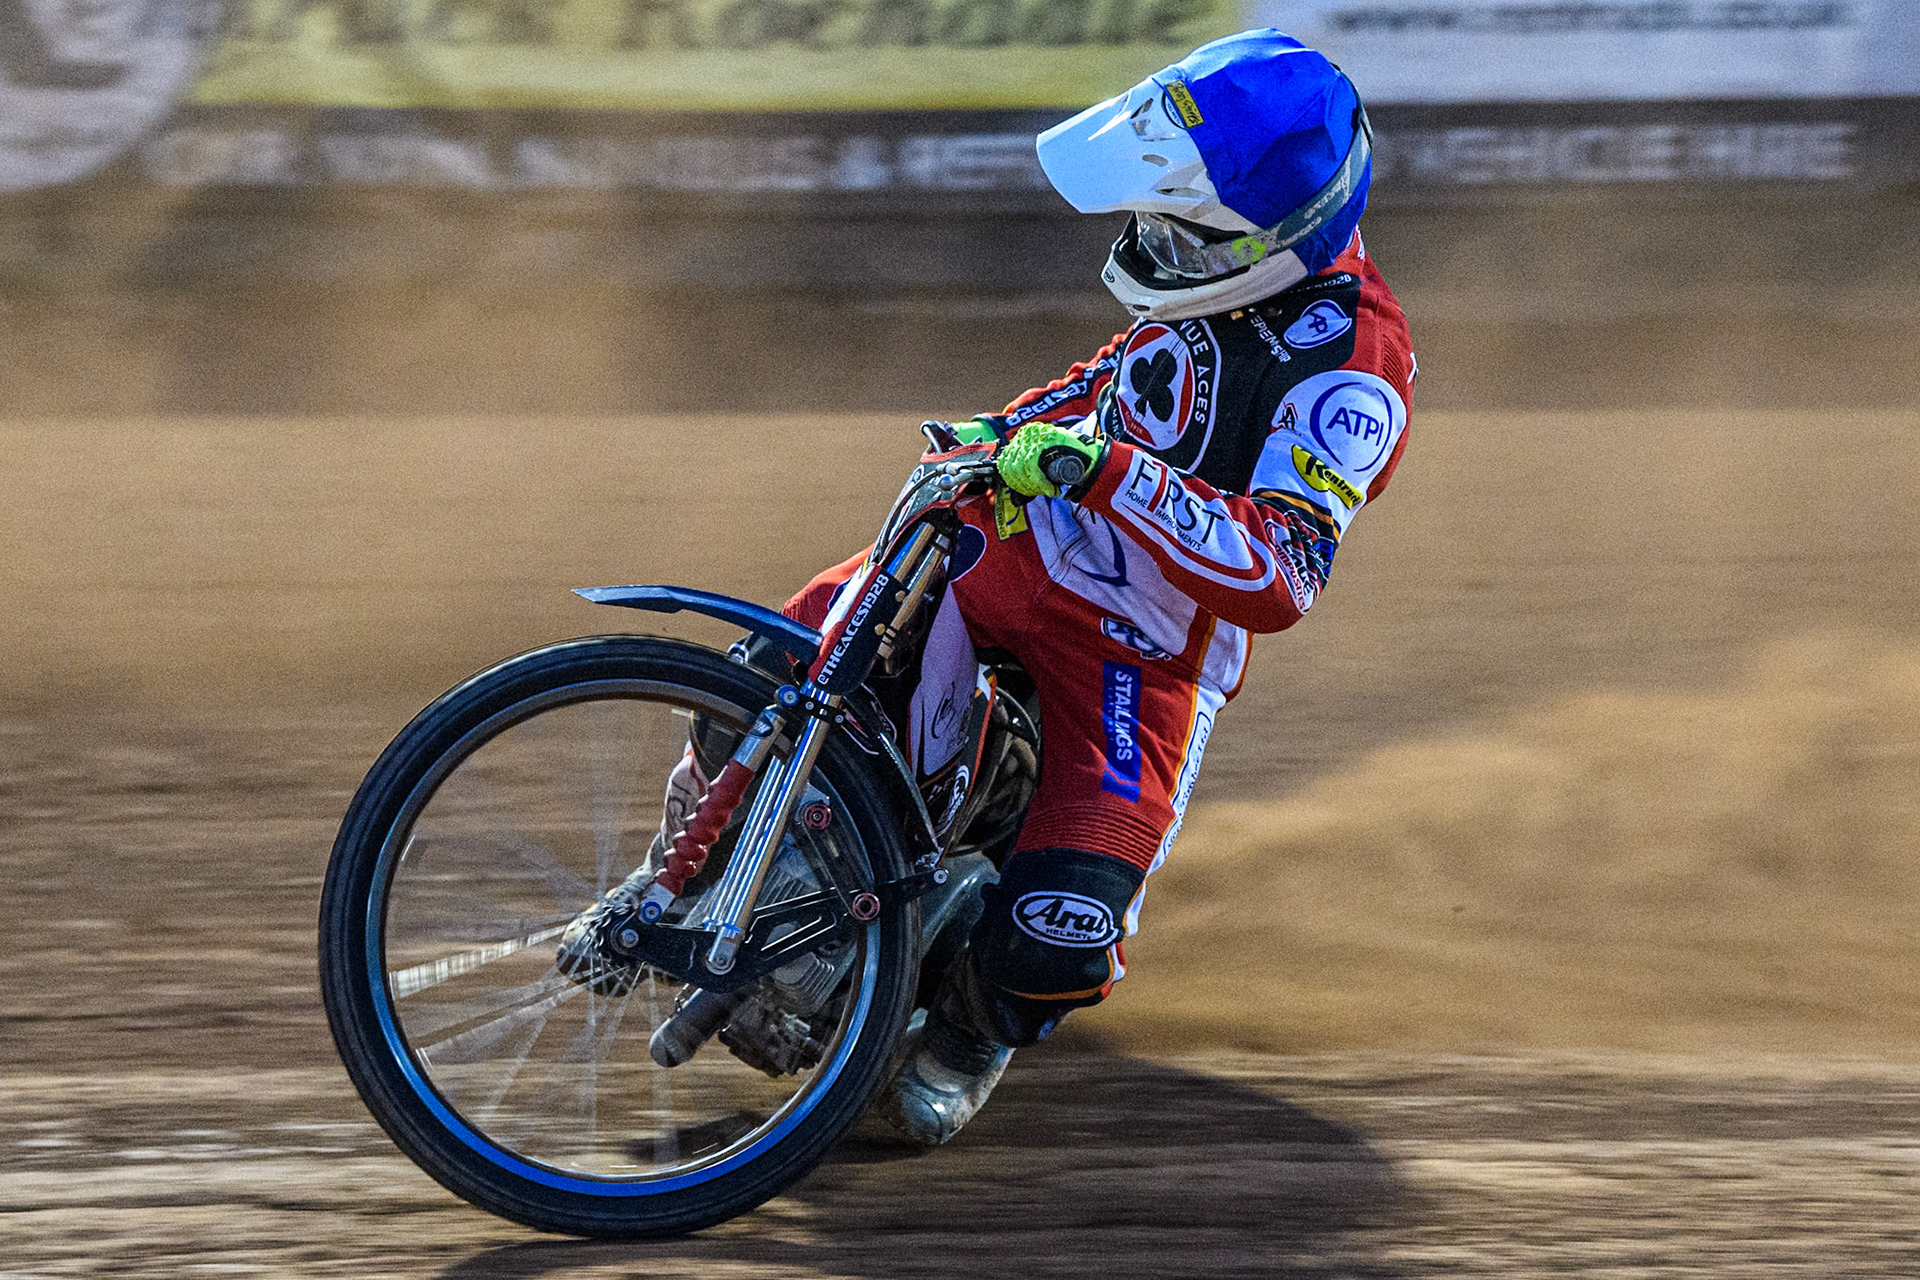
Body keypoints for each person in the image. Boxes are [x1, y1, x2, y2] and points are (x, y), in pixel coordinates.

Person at [779, 29, 1417, 1145]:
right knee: (808, 643)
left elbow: (1281, 573)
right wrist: (1011, 425)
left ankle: (967, 1028)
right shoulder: (1218, 271)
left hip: (1151, 645)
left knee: (1063, 937)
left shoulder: (1354, 372)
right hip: (1027, 541)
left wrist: (1109, 470)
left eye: (1185, 228)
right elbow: (1121, 379)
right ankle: (712, 835)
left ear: (1272, 237)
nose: (1156, 243)